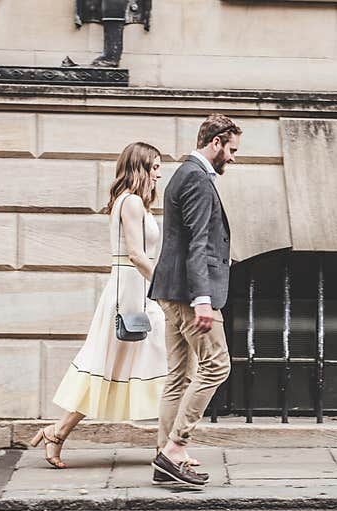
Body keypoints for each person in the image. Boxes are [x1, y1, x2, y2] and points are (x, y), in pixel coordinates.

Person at [29, 141, 170, 469]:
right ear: (140, 167)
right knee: (116, 367)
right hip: (132, 294)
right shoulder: (132, 202)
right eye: (155, 167)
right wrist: (164, 287)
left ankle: (58, 432)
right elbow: (135, 254)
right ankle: (171, 446)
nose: (159, 174)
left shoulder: (130, 201)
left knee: (124, 367)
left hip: (135, 290)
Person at [149, 113, 242, 487]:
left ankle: (164, 456)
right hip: (190, 294)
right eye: (232, 149)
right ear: (215, 142)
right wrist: (203, 299)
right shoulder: (199, 180)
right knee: (217, 365)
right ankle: (175, 447)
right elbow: (199, 244)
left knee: (179, 376)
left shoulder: (183, 175)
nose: (233, 158)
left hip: (170, 290)